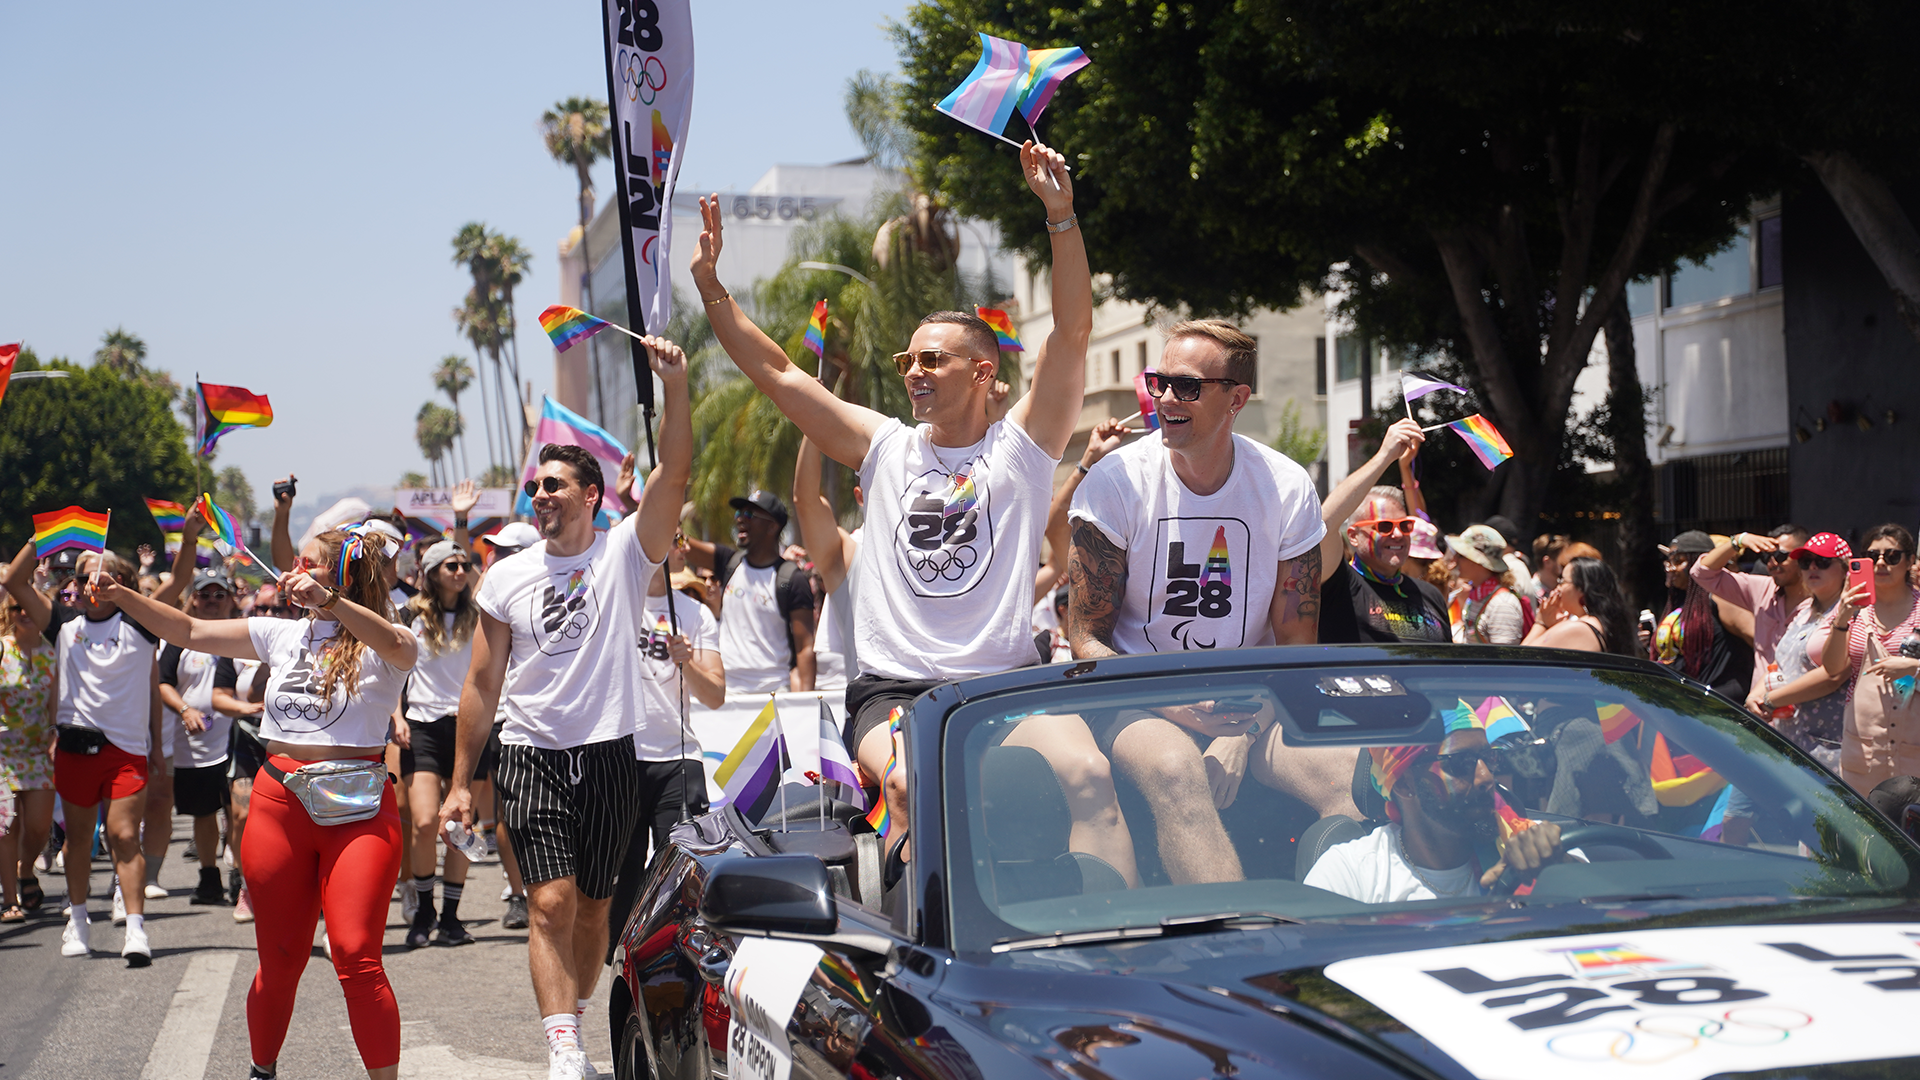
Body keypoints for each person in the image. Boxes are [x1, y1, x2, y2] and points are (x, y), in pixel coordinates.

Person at [689, 140, 1090, 867]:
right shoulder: (886, 446)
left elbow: (1071, 333)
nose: (912, 373)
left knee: (1090, 777)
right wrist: (714, 290)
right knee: (907, 786)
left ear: (982, 370)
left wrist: (1060, 218)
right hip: (895, 692)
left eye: (931, 359)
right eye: (907, 360)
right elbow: (781, 374)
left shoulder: (1024, 450)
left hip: (1001, 686)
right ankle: (915, 959)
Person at [439, 337, 688, 1080]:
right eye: (535, 487)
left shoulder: (624, 553)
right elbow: (482, 687)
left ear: (591, 497)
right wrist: (459, 780)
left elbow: (674, 470)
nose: (541, 495)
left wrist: (673, 386)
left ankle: (572, 1015)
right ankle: (562, 1042)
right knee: (548, 901)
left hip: (613, 752)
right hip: (530, 754)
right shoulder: (507, 579)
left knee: (594, 906)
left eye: (555, 486)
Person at [103, 524, 416, 1080]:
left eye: (311, 563)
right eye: (297, 561)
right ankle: (261, 1070)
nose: (297, 570)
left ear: (343, 576)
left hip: (359, 809)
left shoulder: (386, 638)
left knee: (355, 953)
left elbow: (396, 646)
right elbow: (191, 628)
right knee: (280, 959)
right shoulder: (279, 633)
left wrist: (330, 601)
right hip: (278, 802)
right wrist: (124, 596)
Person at [1066, 319, 1357, 882]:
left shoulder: (1286, 484)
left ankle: (1330, 945)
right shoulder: (1116, 481)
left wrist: (1244, 729)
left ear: (1237, 398)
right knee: (1178, 770)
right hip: (1135, 693)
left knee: (1353, 775)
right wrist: (1182, 710)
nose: (1167, 398)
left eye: (1189, 386)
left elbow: (1296, 646)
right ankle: (1229, 955)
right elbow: (1087, 641)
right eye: (1160, 382)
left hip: (1252, 698)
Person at [3, 528, 194, 965]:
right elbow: (15, 581)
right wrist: (45, 536)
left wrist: (190, 536)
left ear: (118, 584)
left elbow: (179, 580)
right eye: (82, 576)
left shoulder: (140, 625)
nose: (88, 583)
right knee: (78, 840)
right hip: (74, 750)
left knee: (124, 835)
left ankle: (135, 929)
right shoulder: (64, 626)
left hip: (125, 752)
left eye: (99, 576)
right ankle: (79, 919)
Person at [604, 526, 722, 961]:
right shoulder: (614, 602)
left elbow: (716, 695)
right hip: (621, 754)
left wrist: (687, 664)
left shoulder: (695, 614)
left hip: (678, 757)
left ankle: (673, 952)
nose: (665, 544)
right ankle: (618, 953)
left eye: (674, 536)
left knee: (679, 864)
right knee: (622, 865)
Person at [1304, 715, 1569, 902]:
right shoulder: (1352, 872)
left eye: (1488, 758)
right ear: (1405, 785)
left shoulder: (1525, 840)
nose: (1486, 777)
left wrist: (1559, 867)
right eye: (1460, 763)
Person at [394, 538, 480, 949]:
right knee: (427, 821)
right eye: (451, 566)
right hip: (422, 725)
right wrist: (396, 716)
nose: (460, 572)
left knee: (461, 827)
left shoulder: (478, 614)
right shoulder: (409, 614)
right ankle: (424, 909)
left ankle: (450, 918)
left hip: (468, 727)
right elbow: (391, 668)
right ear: (431, 572)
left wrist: (462, 524)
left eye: (465, 565)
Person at [1315, 420, 1451, 645]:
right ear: (1353, 536)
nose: (1398, 535)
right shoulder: (1339, 586)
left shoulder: (1430, 594)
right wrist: (1385, 456)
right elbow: (1323, 524)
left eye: (1404, 526)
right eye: (1385, 527)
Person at [157, 569, 245, 907]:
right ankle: (209, 876)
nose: (211, 601)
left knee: (239, 812)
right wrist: (184, 710)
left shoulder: (246, 635)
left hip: (238, 739)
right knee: (205, 813)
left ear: (230, 600)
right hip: (194, 745)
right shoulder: (180, 638)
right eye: (204, 594)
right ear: (193, 598)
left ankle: (240, 876)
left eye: (219, 595)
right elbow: (163, 681)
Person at [1819, 524, 1920, 795]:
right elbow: (1832, 667)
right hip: (1863, 752)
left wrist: (1915, 668)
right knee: (1865, 832)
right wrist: (1842, 618)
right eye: (1873, 556)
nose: (1881, 563)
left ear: (1910, 560)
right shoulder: (1854, 609)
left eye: (1893, 556)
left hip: (1914, 751)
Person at [682, 491, 815, 693]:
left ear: (772, 526)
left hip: (772, 695)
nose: (741, 520)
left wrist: (804, 706)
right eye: (739, 514)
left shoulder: (792, 579)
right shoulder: (728, 563)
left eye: (750, 515)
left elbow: (805, 648)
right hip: (728, 694)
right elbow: (684, 545)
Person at [1750, 533, 1850, 768]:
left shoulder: (1853, 613)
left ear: (1845, 569)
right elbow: (1781, 661)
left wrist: (1769, 699)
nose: (1813, 567)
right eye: (1806, 562)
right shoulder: (1804, 611)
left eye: (1823, 562)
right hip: (1787, 741)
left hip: (1828, 747)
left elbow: (1832, 676)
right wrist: (1755, 696)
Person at [1692, 524, 1813, 709]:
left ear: (1803, 557)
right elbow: (1702, 573)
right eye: (1766, 557)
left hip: (1806, 710)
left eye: (1781, 556)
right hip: (1761, 708)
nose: (1773, 563)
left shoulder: (1822, 601)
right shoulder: (1762, 588)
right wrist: (1738, 541)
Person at [0, 591, 56, 922]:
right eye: (16, 607)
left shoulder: (52, 653)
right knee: (5, 828)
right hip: (2, 753)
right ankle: (9, 900)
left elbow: (56, 701)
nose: (24, 612)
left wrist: (54, 733)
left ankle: (25, 870)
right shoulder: (2, 648)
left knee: (37, 826)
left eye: (29, 606)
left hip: (38, 752)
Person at [791, 435, 863, 691]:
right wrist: (814, 421)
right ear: (861, 495)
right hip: (871, 710)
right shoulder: (850, 551)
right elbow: (806, 500)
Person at [1654, 531, 1755, 701]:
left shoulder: (1721, 599)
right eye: (1669, 561)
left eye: (1678, 561)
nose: (1671, 568)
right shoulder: (1682, 601)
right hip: (1685, 702)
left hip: (1719, 703)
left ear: (1696, 562)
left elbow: (1759, 639)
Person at [1521, 557, 1637, 656]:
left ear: (1582, 589)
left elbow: (1518, 659)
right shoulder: (1602, 624)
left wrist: (1541, 623)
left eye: (1563, 581)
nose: (1558, 588)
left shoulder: (1579, 629)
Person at [1447, 525, 1529, 645]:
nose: (1454, 561)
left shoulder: (1502, 604)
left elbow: (1504, 659)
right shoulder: (1476, 595)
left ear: (1479, 562)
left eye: (1461, 556)